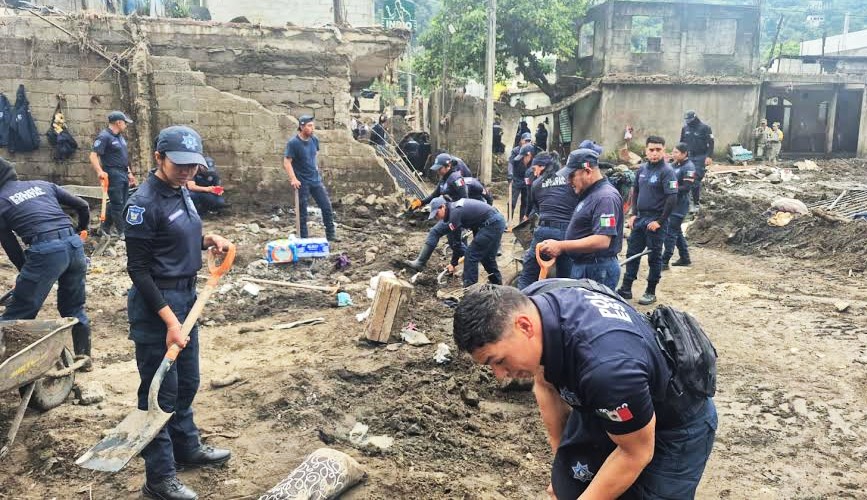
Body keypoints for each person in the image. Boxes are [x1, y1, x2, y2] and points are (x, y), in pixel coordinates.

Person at [452, 283, 717, 499]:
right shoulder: (533, 303)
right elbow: (545, 383)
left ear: (525, 326)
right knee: (574, 486)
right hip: (607, 403)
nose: (499, 375)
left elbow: (636, 453)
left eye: (498, 361)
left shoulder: (607, 369)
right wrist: (562, 468)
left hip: (673, 424)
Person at [124, 126, 233, 500]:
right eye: (179, 165)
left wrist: (207, 240)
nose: (188, 171)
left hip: (187, 297)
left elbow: (176, 238)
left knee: (187, 381)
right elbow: (138, 270)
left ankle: (187, 447)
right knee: (159, 394)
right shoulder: (143, 203)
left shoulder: (180, 190)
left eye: (193, 166)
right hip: (157, 305)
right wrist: (169, 320)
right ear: (159, 158)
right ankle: (159, 479)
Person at [0, 157, 92, 368]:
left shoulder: (1, 201)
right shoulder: (42, 185)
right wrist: (80, 231)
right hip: (73, 245)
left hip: (46, 251)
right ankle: (84, 358)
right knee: (74, 307)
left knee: (18, 312)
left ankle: (10, 365)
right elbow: (83, 205)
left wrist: (24, 272)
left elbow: (10, 245)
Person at [537, 148, 624, 290]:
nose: (568, 181)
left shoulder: (605, 198)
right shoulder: (591, 194)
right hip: (585, 266)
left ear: (588, 171)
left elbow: (602, 240)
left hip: (596, 269)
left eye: (572, 176)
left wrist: (561, 246)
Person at [617, 136, 678, 305]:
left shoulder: (667, 172)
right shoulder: (642, 170)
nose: (654, 153)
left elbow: (672, 198)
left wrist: (660, 221)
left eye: (658, 150)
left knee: (654, 257)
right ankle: (626, 288)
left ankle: (651, 291)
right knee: (633, 254)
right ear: (646, 151)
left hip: (656, 221)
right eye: (651, 150)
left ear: (663, 151)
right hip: (640, 219)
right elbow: (635, 191)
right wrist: (633, 213)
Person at [516, 152, 578, 289]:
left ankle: (522, 299)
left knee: (528, 273)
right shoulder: (571, 181)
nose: (534, 172)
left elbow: (536, 210)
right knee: (566, 277)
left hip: (543, 231)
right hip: (567, 232)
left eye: (535, 168)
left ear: (542, 167)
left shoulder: (537, 184)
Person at [403, 153, 469, 271]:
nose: (438, 171)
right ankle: (469, 258)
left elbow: (465, 199)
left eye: (440, 168)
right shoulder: (444, 178)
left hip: (456, 214)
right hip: (450, 213)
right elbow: (435, 194)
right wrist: (421, 203)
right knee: (454, 242)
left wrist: (458, 216)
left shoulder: (456, 179)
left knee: (435, 232)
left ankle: (420, 262)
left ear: (448, 166)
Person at [283, 115, 338, 242]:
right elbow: (287, 162)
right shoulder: (293, 143)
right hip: (302, 182)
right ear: (302, 127)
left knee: (326, 206)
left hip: (315, 180)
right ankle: (303, 238)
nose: (312, 128)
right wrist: (293, 179)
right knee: (302, 211)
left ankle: (331, 235)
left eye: (313, 125)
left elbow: (314, 156)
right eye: (309, 125)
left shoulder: (314, 140)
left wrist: (316, 168)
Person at [429, 196, 505, 287]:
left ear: (442, 207)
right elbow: (473, 224)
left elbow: (456, 243)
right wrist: (454, 263)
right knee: (486, 258)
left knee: (471, 255)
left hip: (492, 224)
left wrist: (453, 263)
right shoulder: (454, 209)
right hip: (493, 222)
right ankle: (498, 286)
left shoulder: (454, 214)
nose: (437, 218)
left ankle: (469, 290)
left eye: (437, 214)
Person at [89, 111, 136, 236]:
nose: (126, 125)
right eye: (125, 122)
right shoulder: (104, 137)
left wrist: (130, 173)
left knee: (123, 202)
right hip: (113, 173)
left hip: (123, 172)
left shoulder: (119, 136)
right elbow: (93, 155)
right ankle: (123, 232)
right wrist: (100, 171)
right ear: (118, 122)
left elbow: (123, 157)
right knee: (118, 204)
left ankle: (104, 228)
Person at [663, 143, 696, 270]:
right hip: (671, 203)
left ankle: (664, 260)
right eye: (673, 152)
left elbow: (686, 188)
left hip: (680, 205)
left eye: (676, 152)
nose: (673, 154)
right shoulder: (674, 165)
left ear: (684, 154)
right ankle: (685, 257)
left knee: (670, 232)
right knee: (676, 231)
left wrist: (670, 189)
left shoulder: (689, 168)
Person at [679, 111, 713, 209]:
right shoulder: (685, 128)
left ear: (695, 118)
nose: (688, 122)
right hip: (688, 156)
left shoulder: (705, 128)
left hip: (700, 157)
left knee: (695, 179)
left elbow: (711, 143)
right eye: (687, 120)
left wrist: (709, 156)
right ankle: (685, 202)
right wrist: (678, 154)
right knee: (685, 178)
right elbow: (682, 143)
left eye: (690, 120)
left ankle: (696, 203)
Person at [509, 138, 534, 221]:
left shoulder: (534, 157)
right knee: (512, 201)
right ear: (521, 140)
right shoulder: (515, 151)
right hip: (517, 178)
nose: (526, 142)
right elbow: (511, 163)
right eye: (525, 140)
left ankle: (522, 222)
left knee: (525, 202)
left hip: (527, 180)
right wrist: (510, 174)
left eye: (528, 141)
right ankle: (509, 220)